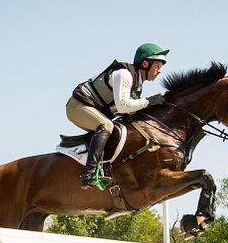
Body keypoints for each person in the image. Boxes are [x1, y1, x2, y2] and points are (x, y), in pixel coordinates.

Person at [66, 42, 169, 190]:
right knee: (106, 125)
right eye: (158, 66)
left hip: (93, 109)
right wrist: (149, 101)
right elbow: (122, 106)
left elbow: (129, 111)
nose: (159, 71)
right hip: (77, 106)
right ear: (146, 63)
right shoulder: (125, 74)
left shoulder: (137, 84)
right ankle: (88, 175)